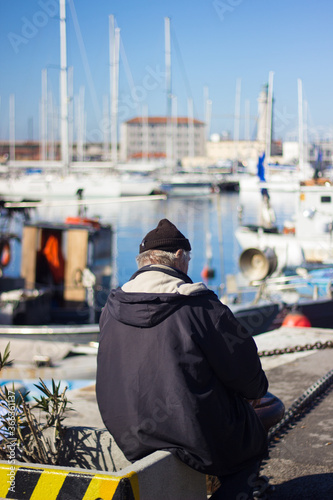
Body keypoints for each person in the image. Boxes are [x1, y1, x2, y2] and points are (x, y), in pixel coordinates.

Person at [96, 219, 269, 499]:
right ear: (178, 257)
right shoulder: (200, 306)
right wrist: (255, 391)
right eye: (187, 258)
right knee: (252, 435)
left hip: (128, 432)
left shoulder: (112, 306)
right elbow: (246, 371)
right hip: (192, 436)